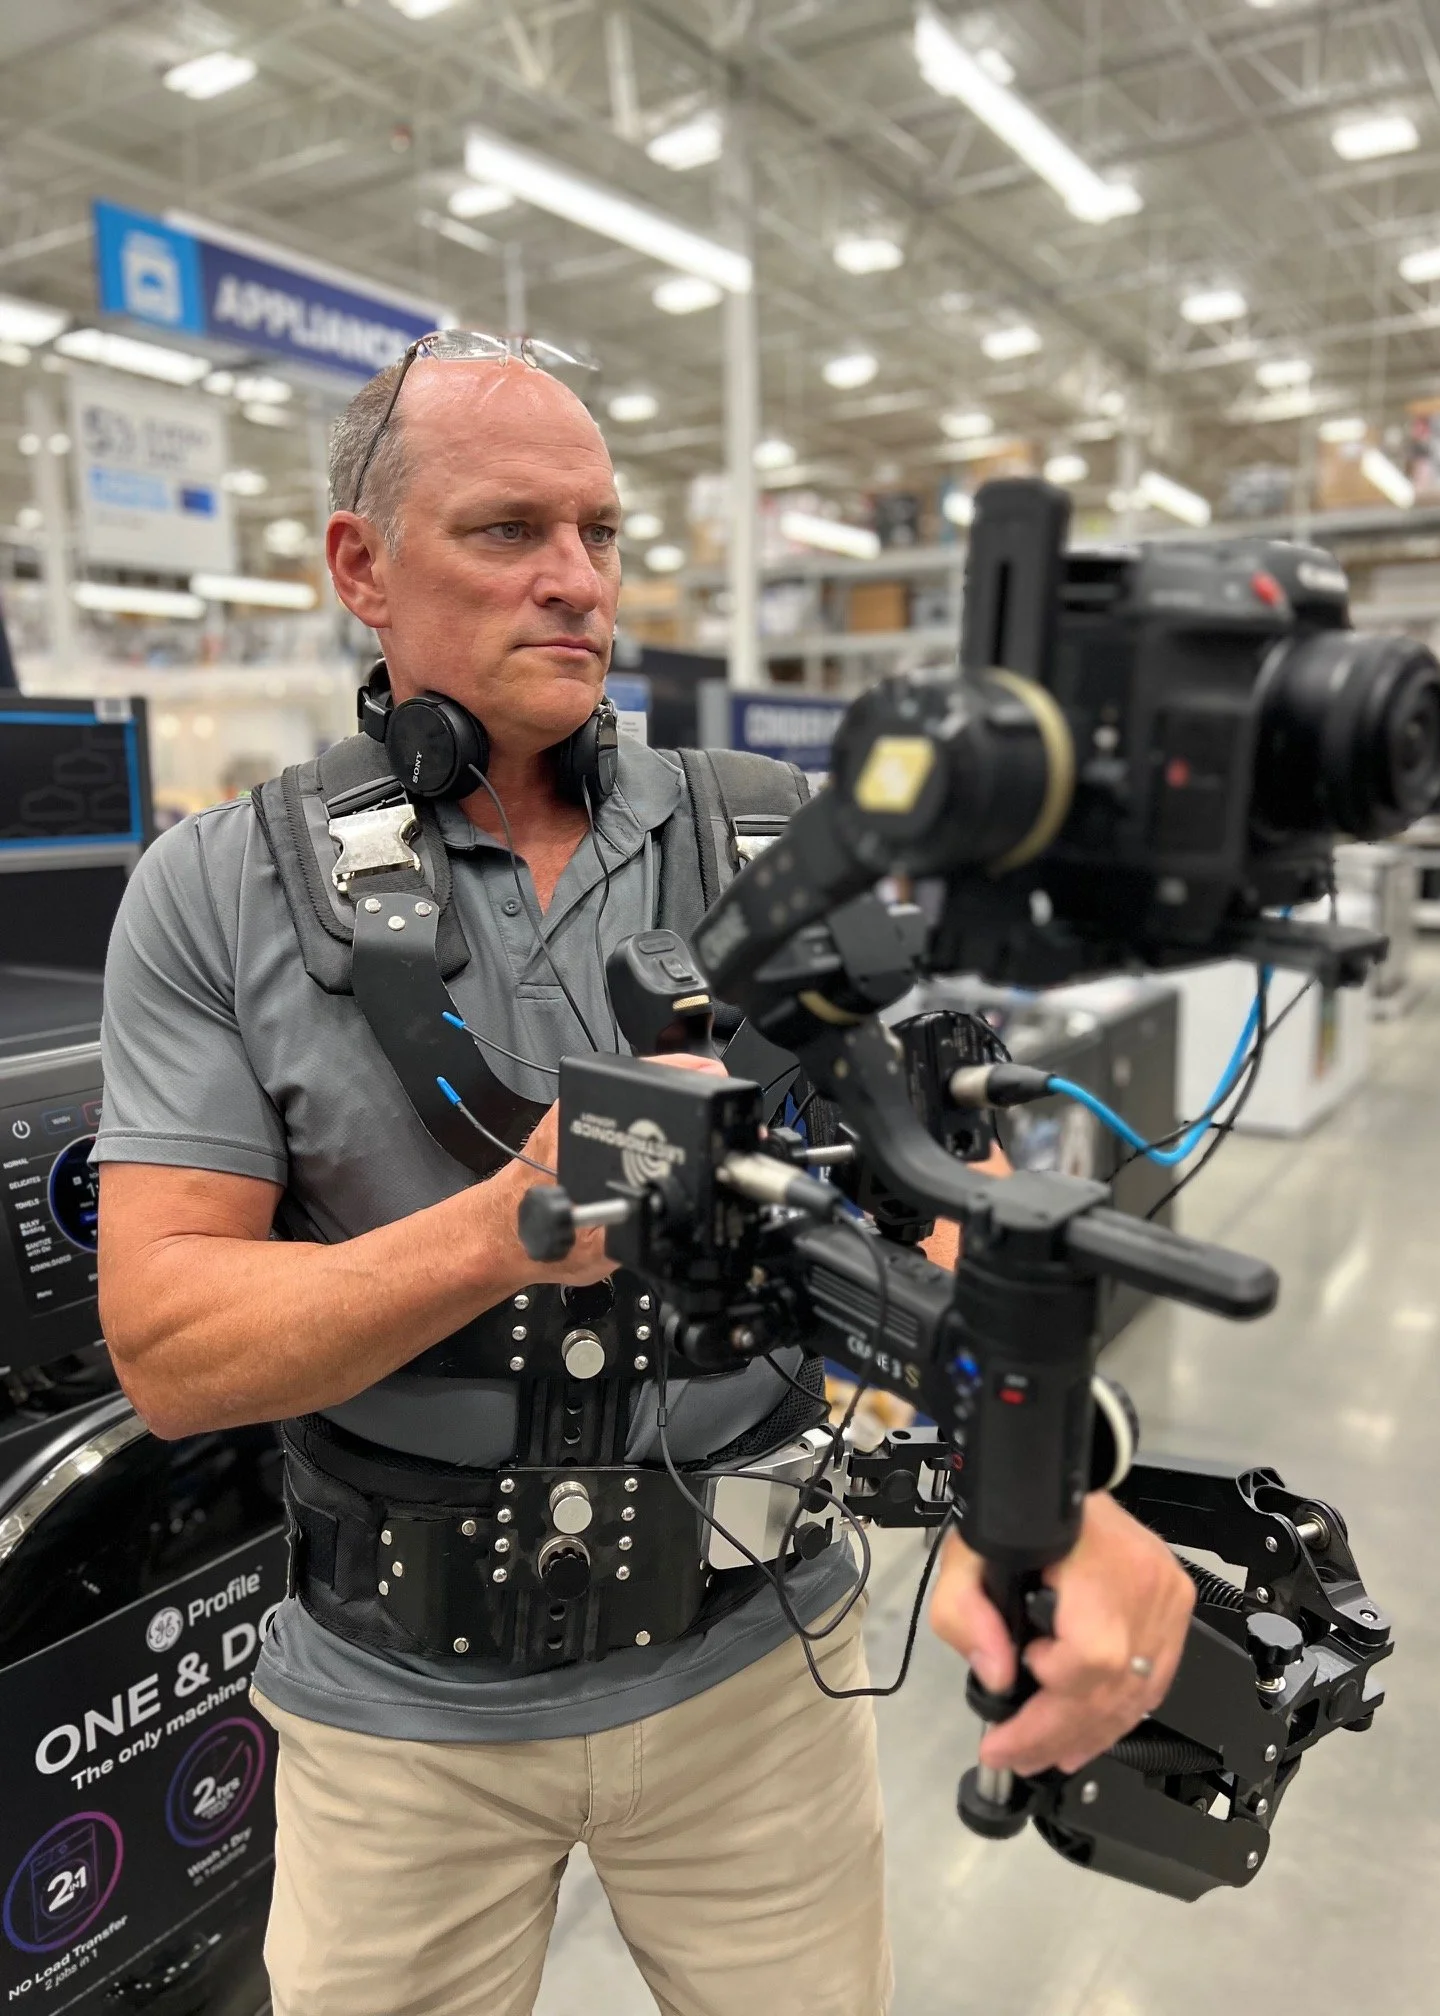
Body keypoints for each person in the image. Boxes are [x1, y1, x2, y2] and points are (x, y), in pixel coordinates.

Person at [95, 340, 1195, 2016]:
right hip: (399, 1723)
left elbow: (952, 1190)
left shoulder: (780, 842)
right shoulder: (215, 891)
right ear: (359, 568)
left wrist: (1046, 1499)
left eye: (603, 534)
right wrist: (511, 1223)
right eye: (510, 530)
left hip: (761, 1681)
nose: (579, 583)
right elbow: (169, 1349)